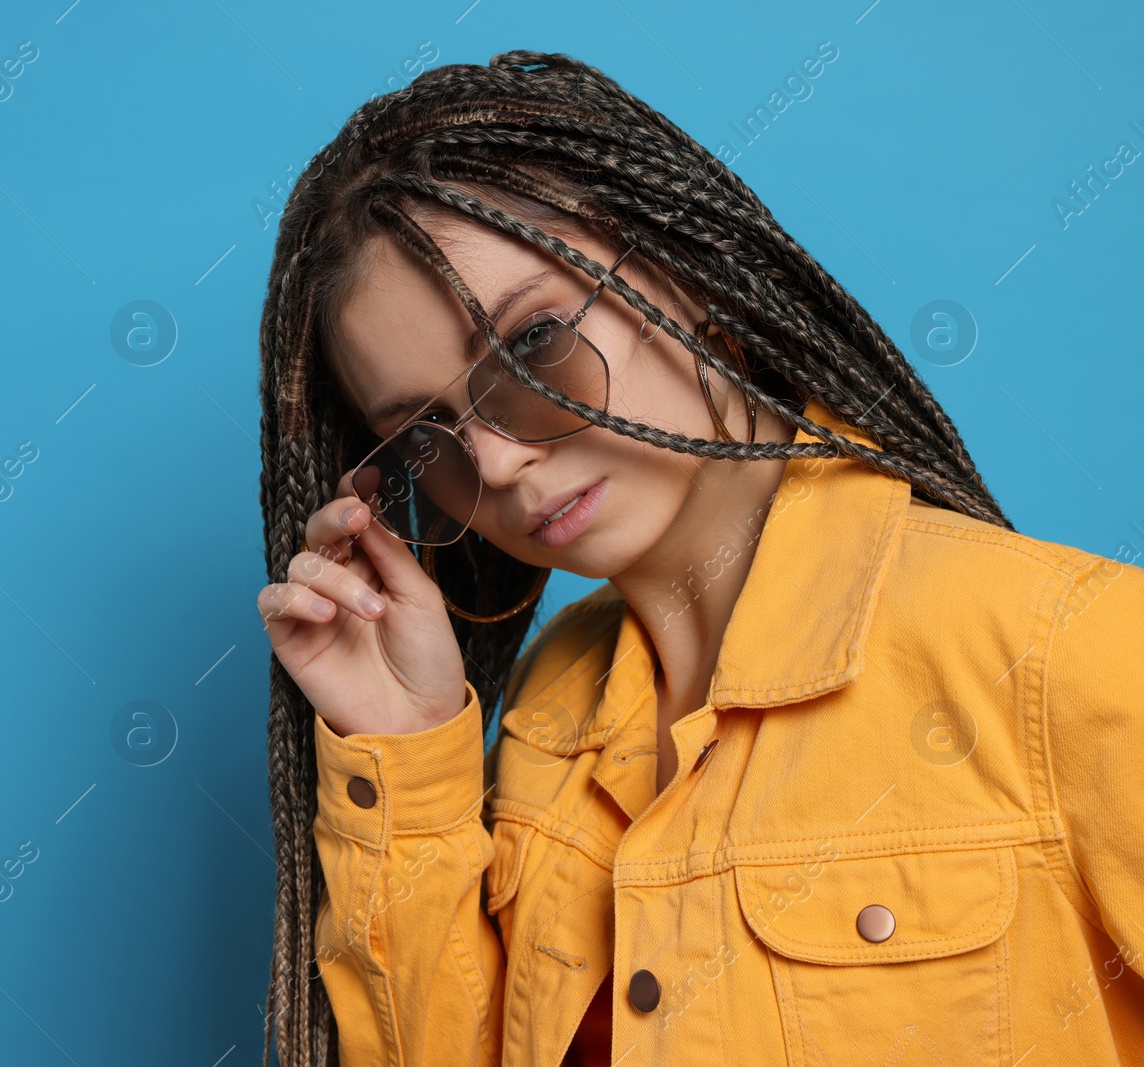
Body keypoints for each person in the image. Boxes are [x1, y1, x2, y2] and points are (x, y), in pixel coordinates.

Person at [252, 50, 1144, 1067]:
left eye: (534, 343)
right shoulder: (550, 719)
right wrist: (403, 747)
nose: (496, 461)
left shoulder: (1065, 649)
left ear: (685, 263)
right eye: (425, 435)